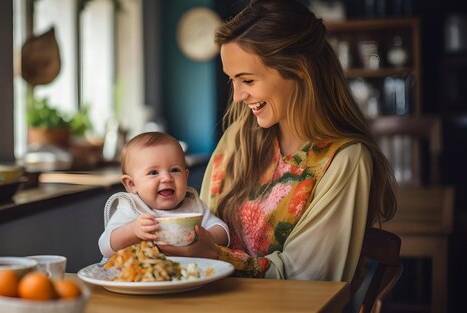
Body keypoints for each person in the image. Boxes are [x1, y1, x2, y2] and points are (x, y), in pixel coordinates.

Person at [158, 0, 396, 282]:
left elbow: (308, 279)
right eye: (232, 80)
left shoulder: (345, 160)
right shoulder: (238, 139)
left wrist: (214, 255)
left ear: (298, 70)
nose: (237, 96)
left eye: (247, 80)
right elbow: (203, 222)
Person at [98, 132, 230, 258]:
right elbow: (105, 246)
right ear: (131, 184)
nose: (167, 178)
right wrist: (132, 231)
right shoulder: (131, 207)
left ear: (186, 176)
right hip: (138, 277)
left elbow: (222, 230)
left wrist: (207, 238)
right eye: (153, 172)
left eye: (175, 170)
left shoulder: (192, 205)